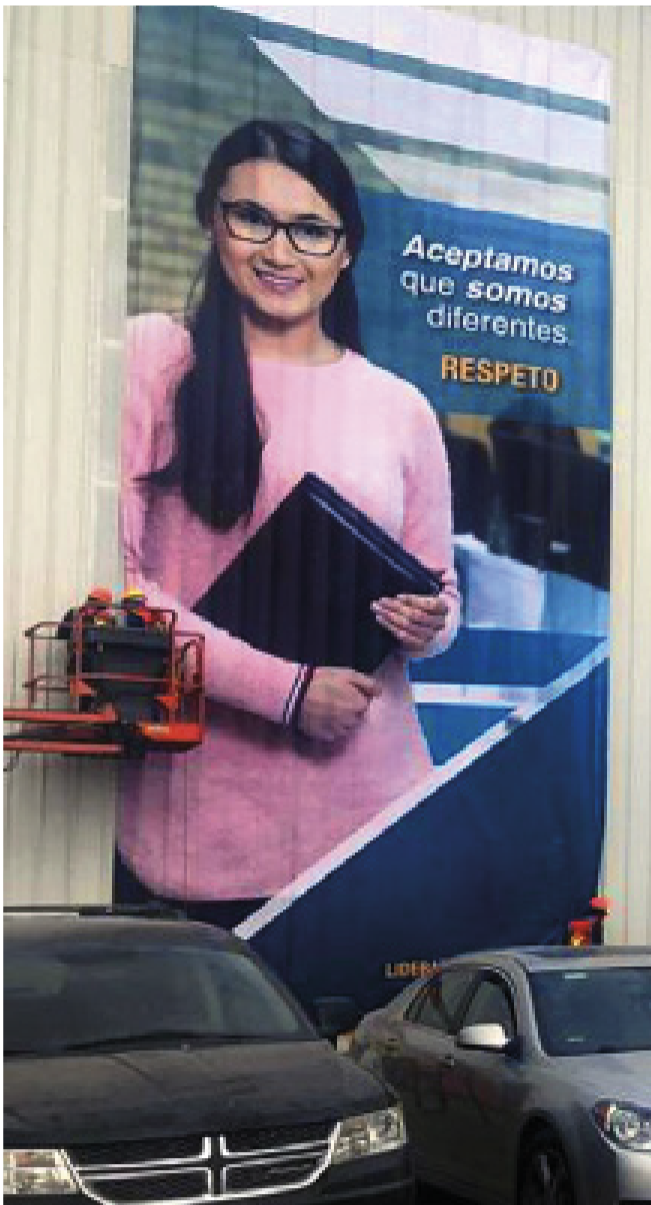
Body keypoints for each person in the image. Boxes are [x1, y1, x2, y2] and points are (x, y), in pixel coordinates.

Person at [115, 119, 459, 930]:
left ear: (345, 250)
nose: (280, 252)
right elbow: (119, 587)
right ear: (212, 220)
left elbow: (441, 595)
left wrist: (430, 620)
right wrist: (288, 692)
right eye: (252, 219)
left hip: (379, 825)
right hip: (204, 845)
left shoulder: (399, 405)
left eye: (310, 229)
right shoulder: (156, 358)